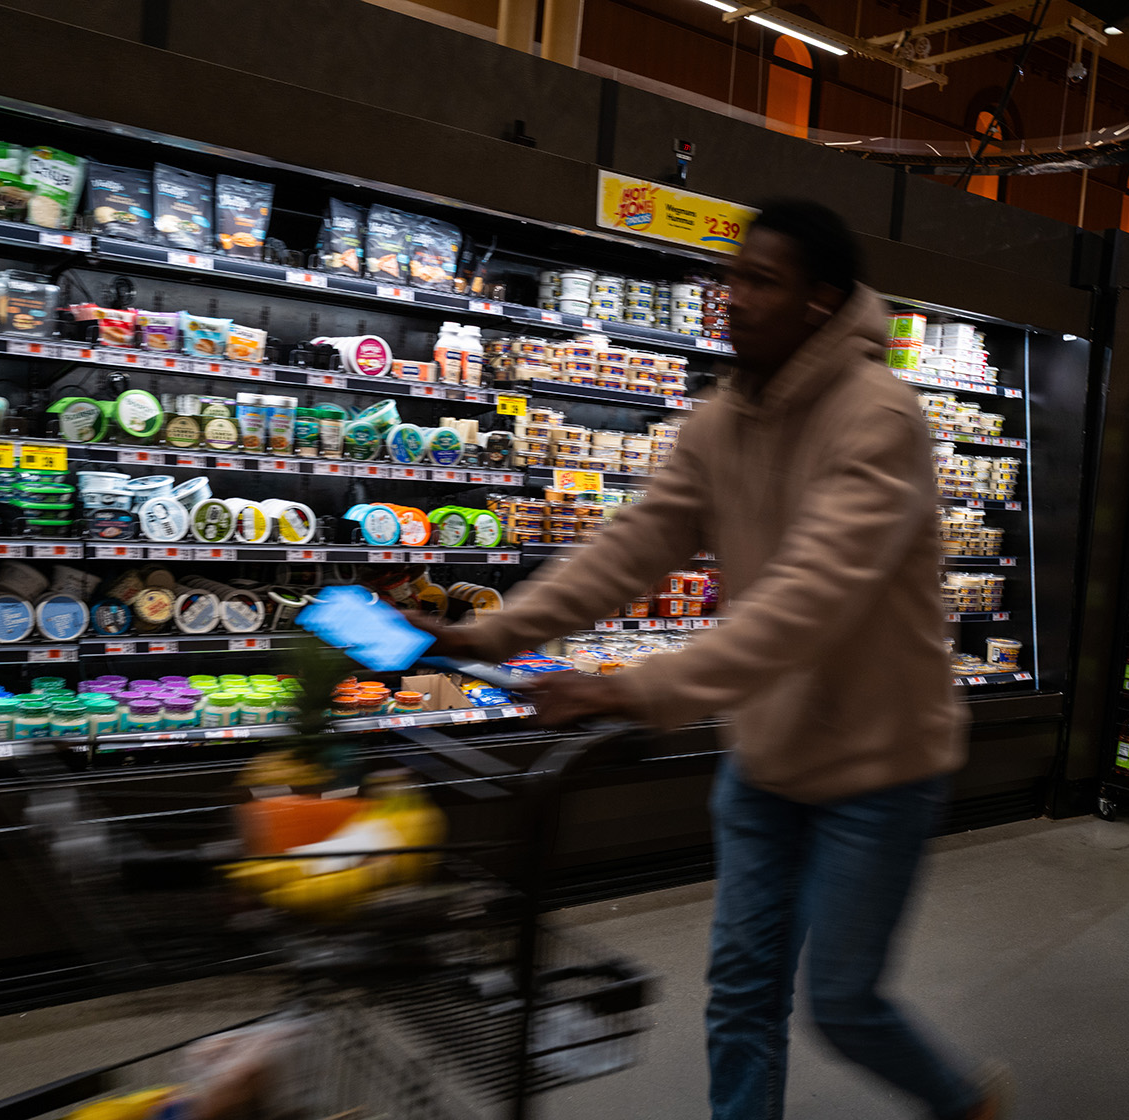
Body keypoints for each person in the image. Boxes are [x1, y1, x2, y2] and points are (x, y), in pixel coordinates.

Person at [419, 199, 1010, 1120]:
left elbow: (804, 606)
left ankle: (965, 1103)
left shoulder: (881, 418)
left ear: (821, 300)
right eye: (730, 278)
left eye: (759, 282)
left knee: (845, 1007)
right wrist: (490, 632)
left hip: (878, 765)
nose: (731, 299)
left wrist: (631, 691)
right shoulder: (720, 419)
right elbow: (633, 547)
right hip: (767, 757)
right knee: (740, 996)